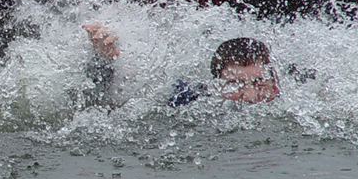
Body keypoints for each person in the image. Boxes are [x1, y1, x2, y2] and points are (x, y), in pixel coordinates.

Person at [82, 22, 279, 106]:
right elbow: (111, 98)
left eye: (260, 84)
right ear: (215, 86)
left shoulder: (301, 97)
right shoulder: (191, 98)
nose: (251, 97)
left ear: (276, 84)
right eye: (234, 84)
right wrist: (104, 60)